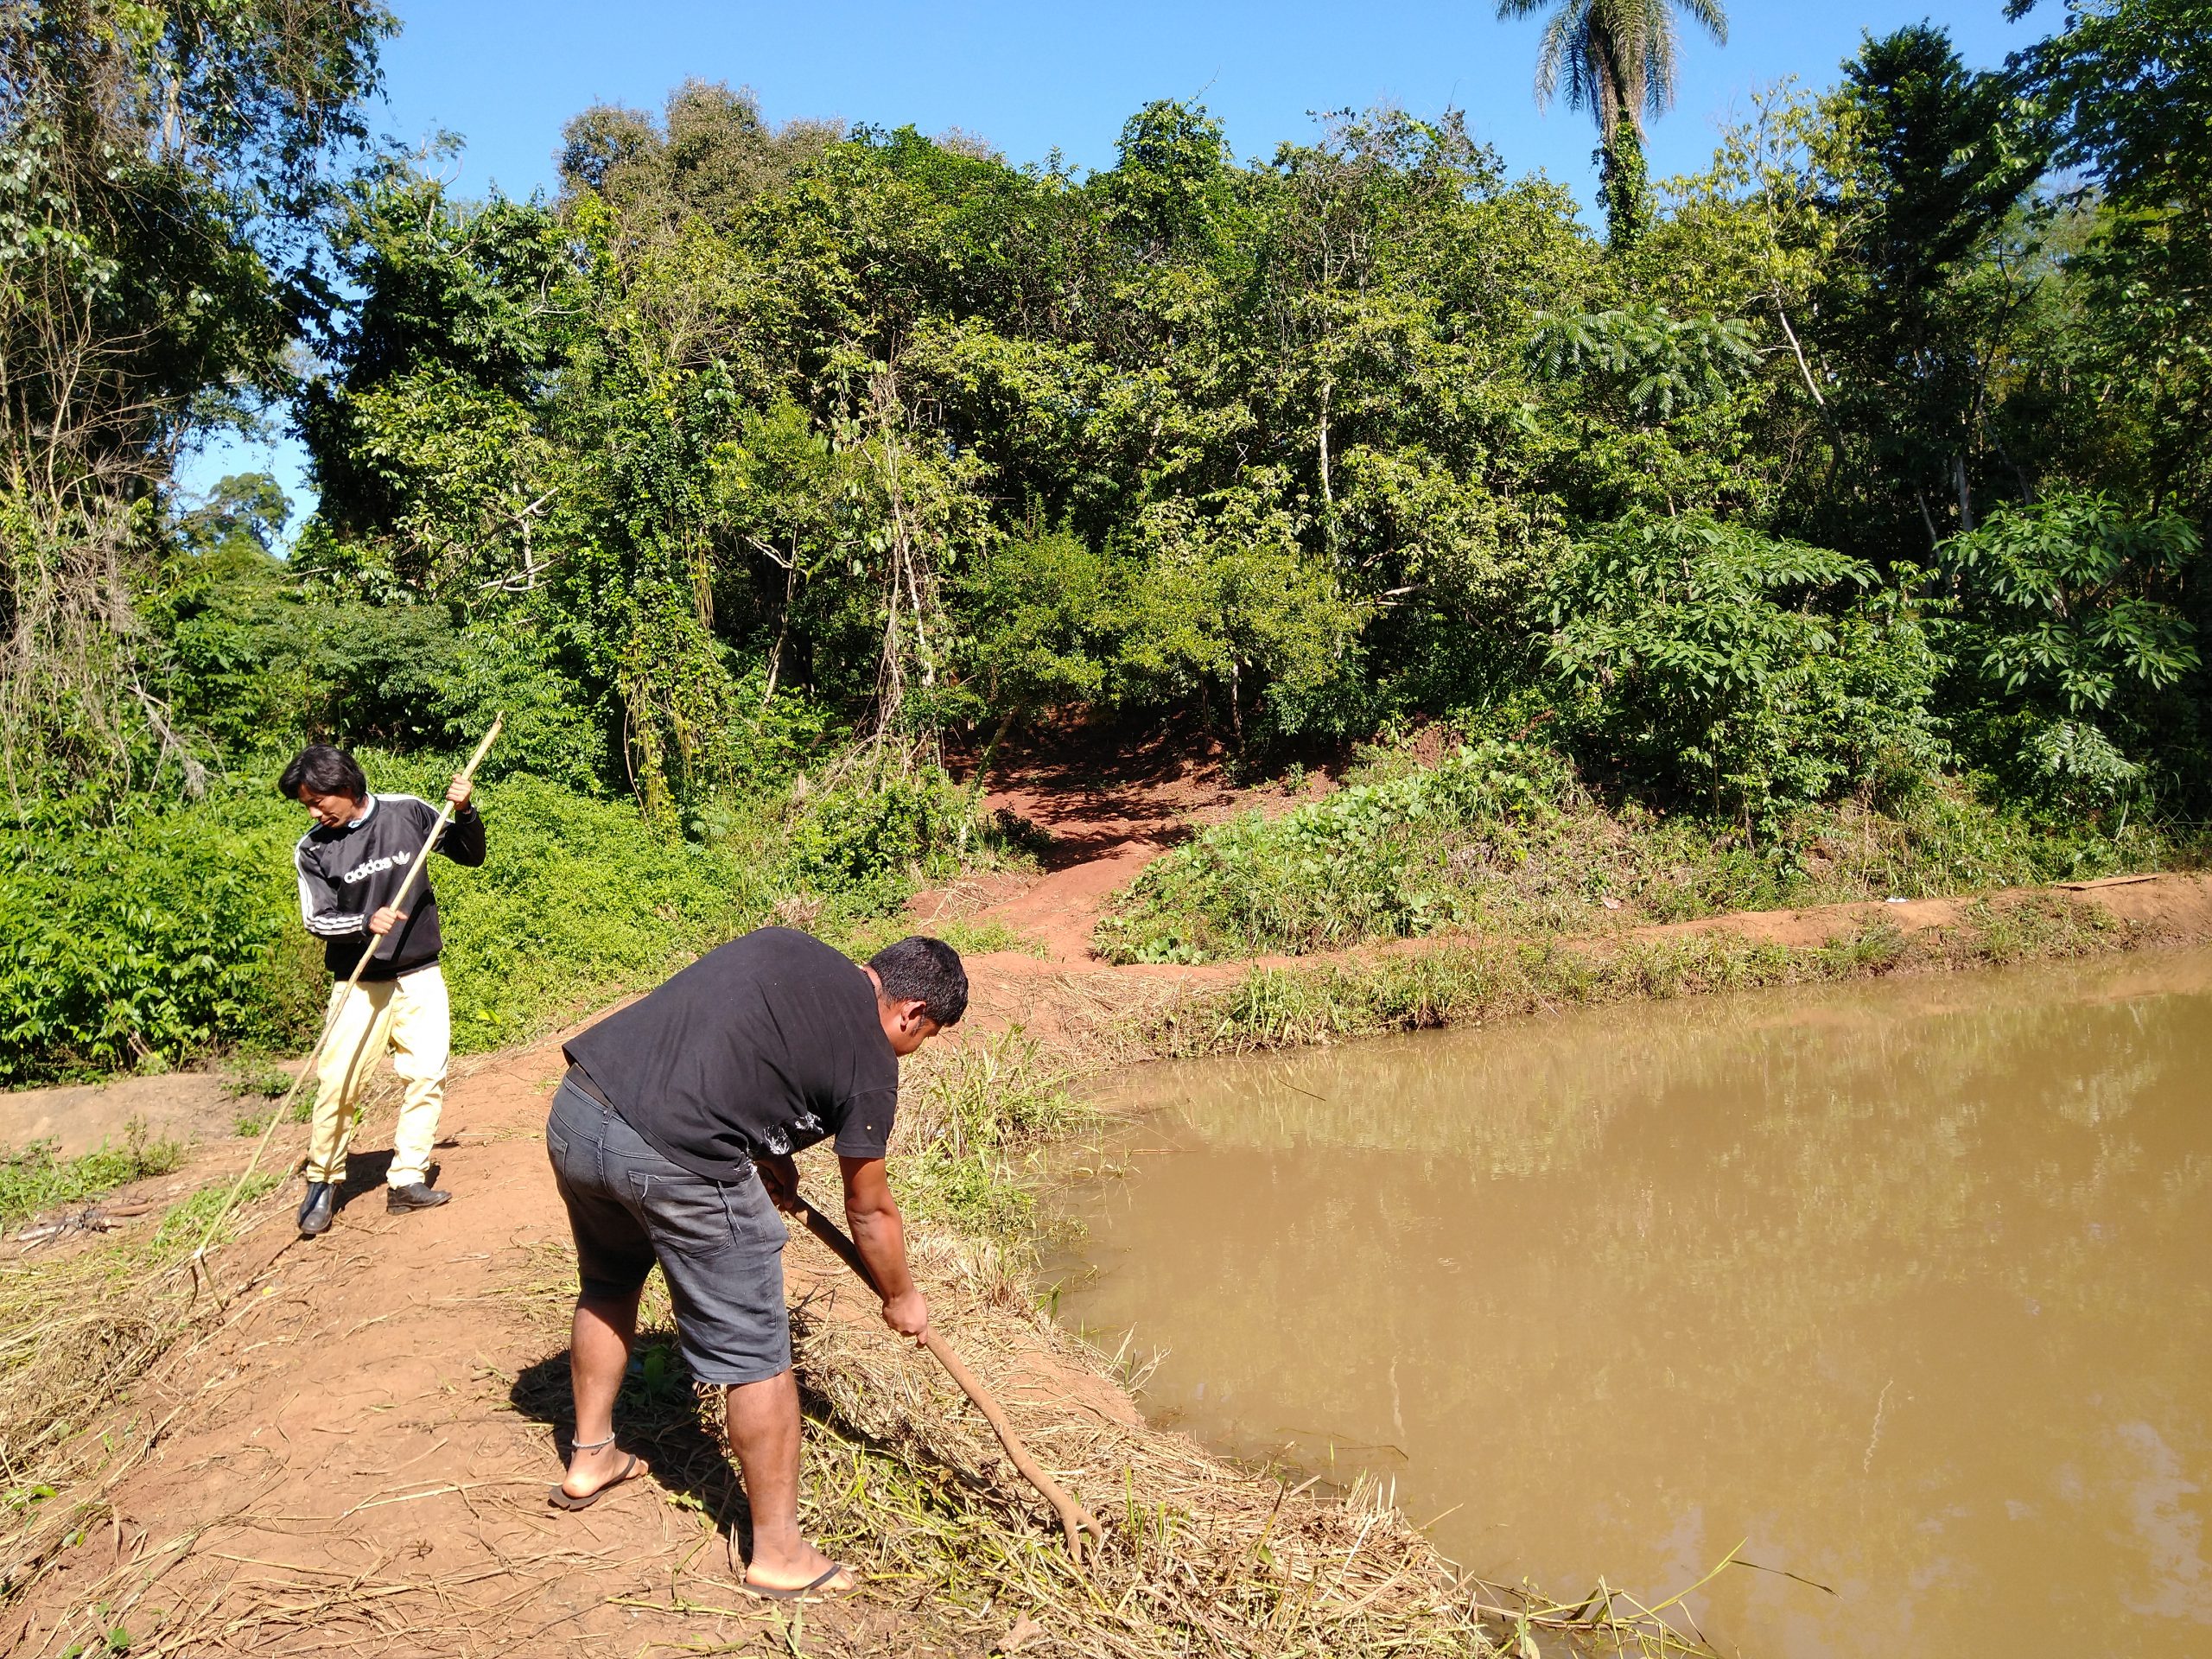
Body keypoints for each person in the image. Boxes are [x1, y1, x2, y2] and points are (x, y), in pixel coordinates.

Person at [543, 926, 966, 1601]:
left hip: (580, 1111)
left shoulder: (787, 947)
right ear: (912, 1012)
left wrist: (767, 1155)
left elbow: (729, 1047)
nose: (914, 1050)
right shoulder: (872, 1061)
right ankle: (779, 1552)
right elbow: (870, 1210)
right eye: (927, 1037)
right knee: (758, 1355)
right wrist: (901, 1296)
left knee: (609, 1280)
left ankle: (591, 1457)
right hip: (671, 1155)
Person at [281, 743, 487, 1238]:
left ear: (346, 786)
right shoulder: (313, 848)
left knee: (426, 1075)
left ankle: (407, 1181)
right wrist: (362, 923)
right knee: (339, 1084)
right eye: (306, 805)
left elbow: (470, 854)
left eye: (318, 801)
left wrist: (464, 810)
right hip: (360, 984)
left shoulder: (407, 813)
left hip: (420, 972)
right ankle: (323, 1182)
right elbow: (317, 918)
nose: (314, 812)